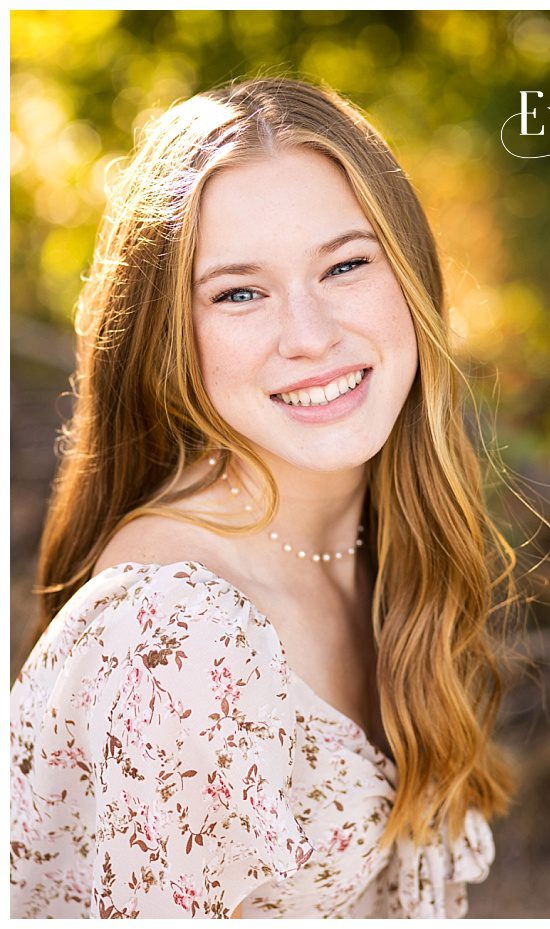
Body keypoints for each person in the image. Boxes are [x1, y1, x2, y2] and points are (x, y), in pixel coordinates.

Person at [11, 77, 513, 918]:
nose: (310, 335)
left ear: (413, 278)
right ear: (169, 333)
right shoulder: (177, 637)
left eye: (346, 265)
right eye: (240, 291)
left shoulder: (385, 552)